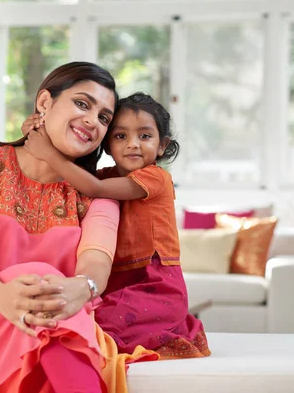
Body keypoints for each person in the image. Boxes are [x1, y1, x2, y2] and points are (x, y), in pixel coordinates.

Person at [0, 63, 158, 393]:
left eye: (104, 118)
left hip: (55, 311)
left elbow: (96, 263)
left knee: (47, 296)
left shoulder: (99, 193)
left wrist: (80, 290)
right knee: (44, 282)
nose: (91, 121)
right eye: (82, 104)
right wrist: (3, 297)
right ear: (44, 103)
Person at [20, 92, 211, 358]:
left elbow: (92, 187)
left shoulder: (156, 178)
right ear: (107, 144)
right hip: (118, 281)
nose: (132, 144)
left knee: (92, 328)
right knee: (77, 319)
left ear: (161, 145)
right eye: (121, 136)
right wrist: (38, 132)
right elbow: (68, 181)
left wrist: (49, 154)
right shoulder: (104, 177)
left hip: (155, 286)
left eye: (144, 136)